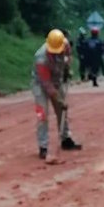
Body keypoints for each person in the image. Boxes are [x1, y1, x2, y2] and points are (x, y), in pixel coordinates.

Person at [32, 29, 82, 159]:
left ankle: (66, 140)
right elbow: (47, 85)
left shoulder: (65, 44)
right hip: (41, 84)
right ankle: (43, 146)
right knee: (42, 114)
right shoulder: (41, 58)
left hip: (57, 80)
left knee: (62, 111)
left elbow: (68, 56)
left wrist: (67, 69)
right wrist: (59, 99)